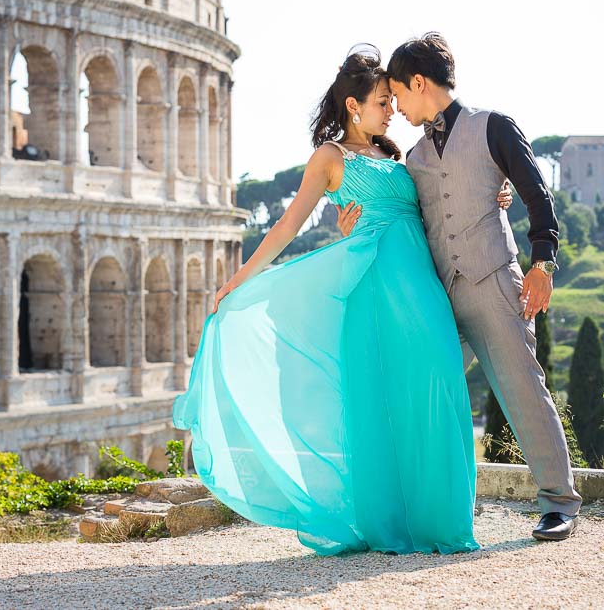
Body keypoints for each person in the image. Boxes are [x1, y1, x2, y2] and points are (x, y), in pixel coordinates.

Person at [172, 46, 510, 555]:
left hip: (420, 285)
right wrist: (238, 280)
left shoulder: (397, 155)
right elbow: (288, 226)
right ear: (353, 106)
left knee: (438, 382)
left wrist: (493, 194)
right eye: (381, 101)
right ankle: (390, 525)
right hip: (371, 291)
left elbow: (446, 196)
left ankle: (443, 523)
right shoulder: (330, 158)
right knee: (377, 404)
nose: (392, 109)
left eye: (392, 100)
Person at [338, 33, 583, 541]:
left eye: (398, 95)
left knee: (521, 390)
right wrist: (351, 224)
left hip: (493, 282)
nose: (396, 106)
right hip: (437, 296)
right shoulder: (416, 158)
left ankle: (559, 503)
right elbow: (399, 216)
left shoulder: (493, 126)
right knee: (424, 388)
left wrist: (543, 265)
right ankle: (431, 506)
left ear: (419, 82)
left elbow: (538, 196)